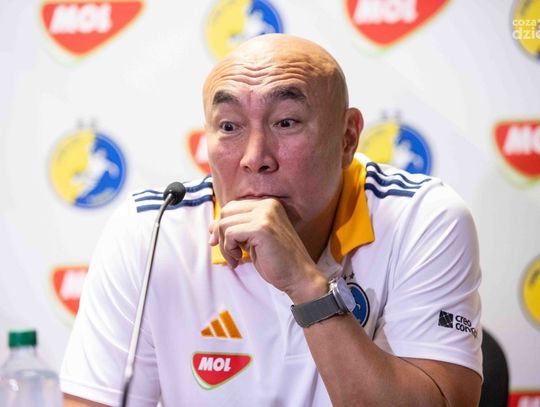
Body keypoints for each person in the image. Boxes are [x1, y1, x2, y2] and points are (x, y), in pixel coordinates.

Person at [61, 34, 482, 406]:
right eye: (230, 126)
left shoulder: (421, 218)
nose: (254, 158)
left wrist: (307, 285)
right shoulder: (152, 232)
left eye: (286, 122)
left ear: (348, 137)